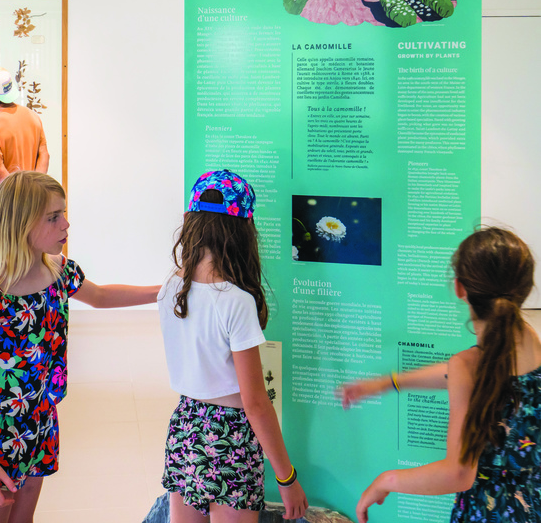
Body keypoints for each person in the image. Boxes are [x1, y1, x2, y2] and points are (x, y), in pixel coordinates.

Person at [0, 171, 160, 523]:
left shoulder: (61, 273)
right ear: (21, 223)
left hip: (42, 422)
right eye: (53, 217)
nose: (66, 224)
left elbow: (102, 296)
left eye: (63, 213)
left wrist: (166, 291)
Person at [341, 227, 539, 523]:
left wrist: (385, 481)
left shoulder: (468, 365)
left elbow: (458, 473)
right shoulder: (533, 344)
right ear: (525, 286)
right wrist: (388, 383)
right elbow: (469, 376)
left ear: (460, 288)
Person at [158, 170, 309, 522]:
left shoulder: (170, 289)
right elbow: (256, 404)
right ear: (245, 228)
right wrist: (286, 479)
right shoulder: (235, 300)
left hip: (185, 425)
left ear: (188, 221)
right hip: (232, 437)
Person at [0, 67, 50, 194]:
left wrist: (19, 197)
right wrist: (35, 189)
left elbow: (0, 172)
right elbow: (44, 155)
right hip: (34, 197)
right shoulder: (32, 116)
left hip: (6, 200)